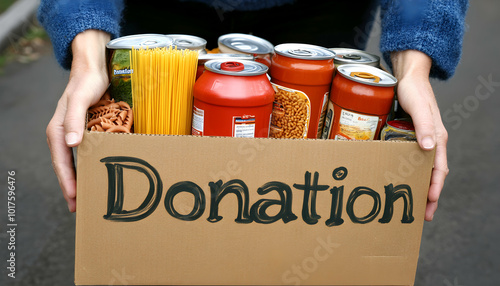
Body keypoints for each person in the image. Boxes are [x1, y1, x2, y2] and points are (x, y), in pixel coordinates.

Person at [38, 0, 468, 220]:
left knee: (304, 193)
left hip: (321, 11)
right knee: (159, 174)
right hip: (157, 10)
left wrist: (414, 66)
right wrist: (88, 56)